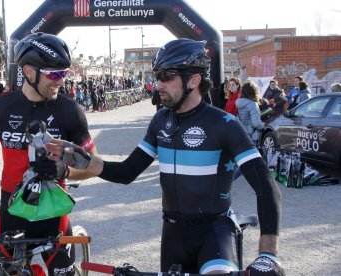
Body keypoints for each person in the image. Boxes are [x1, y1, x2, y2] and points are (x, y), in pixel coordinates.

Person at [47, 38, 284, 275]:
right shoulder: (161, 121)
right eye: (157, 76)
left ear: (193, 80)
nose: (158, 84)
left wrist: (268, 254)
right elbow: (128, 172)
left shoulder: (224, 124)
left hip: (214, 232)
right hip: (173, 234)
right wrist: (87, 162)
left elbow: (266, 186)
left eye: (167, 76)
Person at [0, 32, 97, 276]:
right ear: (29, 72)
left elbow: (94, 163)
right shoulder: (1, 108)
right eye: (55, 73)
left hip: (53, 213)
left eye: (64, 73)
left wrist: (66, 170)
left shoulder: (70, 110)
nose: (61, 81)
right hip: (12, 212)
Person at [236, 80, 264, 145]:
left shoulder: (238, 103)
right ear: (254, 91)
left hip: (241, 133)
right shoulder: (252, 104)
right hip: (251, 135)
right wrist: (262, 127)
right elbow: (256, 123)